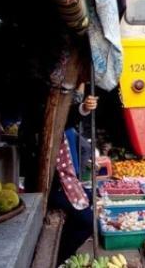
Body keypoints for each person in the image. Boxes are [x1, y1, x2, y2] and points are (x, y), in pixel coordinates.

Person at [49, 88, 98, 264]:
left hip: (64, 179)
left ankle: (65, 244)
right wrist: (83, 108)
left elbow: (66, 119)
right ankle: (57, 257)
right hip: (52, 185)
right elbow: (63, 120)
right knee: (88, 221)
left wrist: (83, 107)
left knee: (91, 197)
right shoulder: (46, 115)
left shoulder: (62, 121)